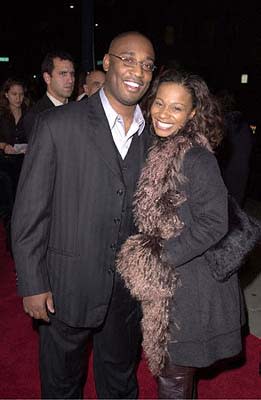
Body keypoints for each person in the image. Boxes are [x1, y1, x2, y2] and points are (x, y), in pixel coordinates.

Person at [11, 31, 156, 399]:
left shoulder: (157, 137)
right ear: (106, 63)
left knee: (121, 383)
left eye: (147, 65)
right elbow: (29, 213)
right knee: (62, 386)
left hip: (127, 294)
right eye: (128, 59)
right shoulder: (59, 125)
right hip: (65, 287)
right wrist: (32, 282)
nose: (138, 70)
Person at [116, 68, 246, 399]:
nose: (163, 113)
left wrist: (158, 256)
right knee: (174, 376)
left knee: (173, 378)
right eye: (159, 103)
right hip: (175, 282)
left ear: (192, 113)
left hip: (191, 288)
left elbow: (214, 222)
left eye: (176, 108)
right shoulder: (160, 148)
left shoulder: (196, 156)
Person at [23, 50, 75, 140]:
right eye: (63, 74)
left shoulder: (78, 110)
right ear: (47, 78)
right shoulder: (36, 116)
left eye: (72, 74)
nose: (70, 80)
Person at [215, 89, 254, 207]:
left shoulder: (226, 122)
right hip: (242, 168)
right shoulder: (243, 122)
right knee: (235, 202)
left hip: (229, 168)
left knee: (226, 203)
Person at [0, 77, 29, 154]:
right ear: (6, 94)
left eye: (21, 94)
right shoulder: (2, 115)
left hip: (25, 161)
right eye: (14, 94)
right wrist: (4, 146)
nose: (18, 98)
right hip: (4, 161)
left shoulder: (30, 114)